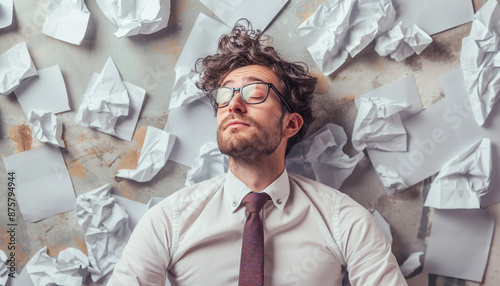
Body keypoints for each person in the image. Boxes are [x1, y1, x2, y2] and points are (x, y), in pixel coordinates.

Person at [108, 21, 407, 286]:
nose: (233, 105)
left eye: (254, 93)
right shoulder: (167, 221)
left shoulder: (345, 221)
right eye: (225, 95)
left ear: (290, 124)